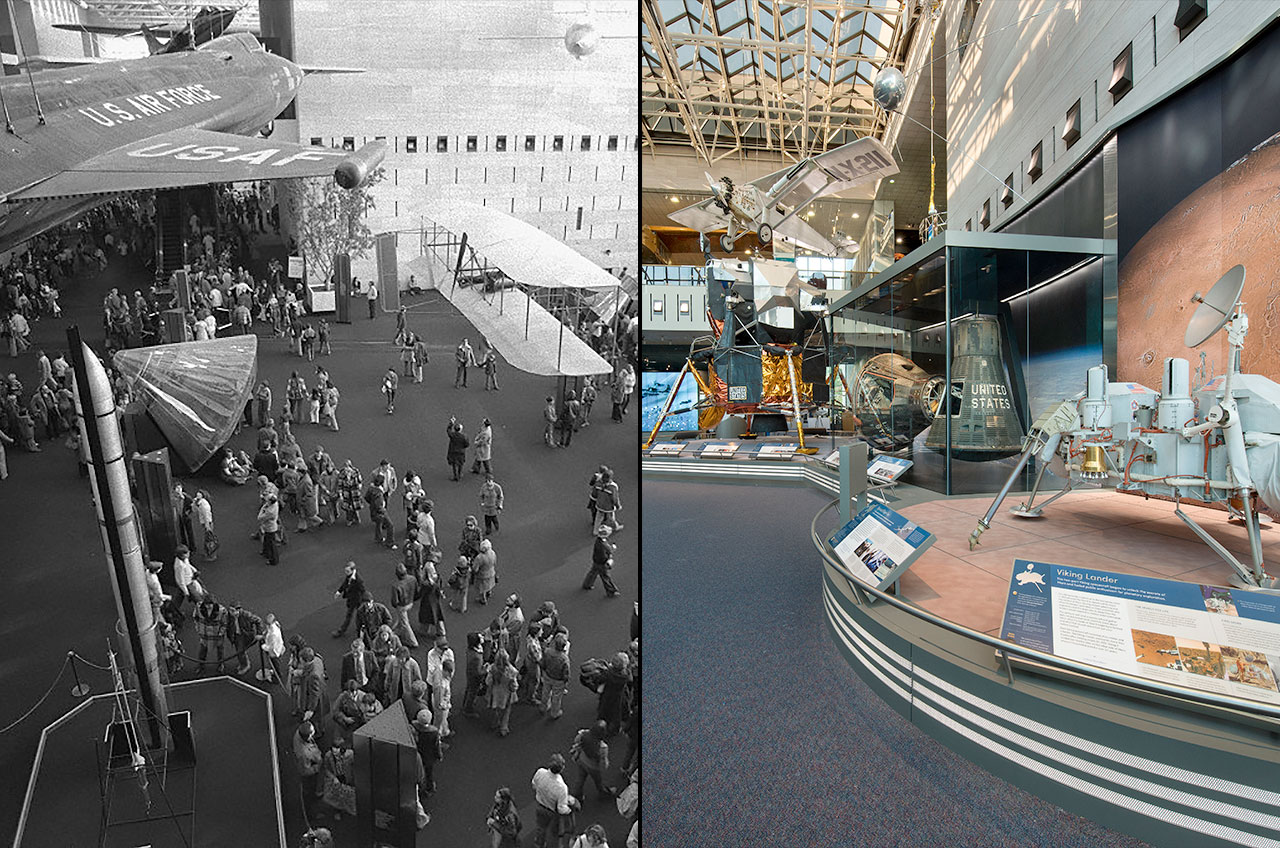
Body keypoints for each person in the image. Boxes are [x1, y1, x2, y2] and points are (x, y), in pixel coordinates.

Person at [531, 754, 579, 848]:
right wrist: (571, 808)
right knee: (557, 823)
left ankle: (539, 844)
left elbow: (534, 785)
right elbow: (561, 808)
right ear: (561, 769)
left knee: (541, 828)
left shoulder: (540, 772)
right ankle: (556, 833)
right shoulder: (562, 787)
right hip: (552, 810)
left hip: (540, 805)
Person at [570, 721, 614, 801]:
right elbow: (603, 761)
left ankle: (577, 795)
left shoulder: (584, 734)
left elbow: (576, 740)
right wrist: (604, 766)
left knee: (580, 778)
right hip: (593, 767)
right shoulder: (602, 747)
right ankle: (603, 794)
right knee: (598, 782)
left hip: (582, 760)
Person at [320, 735, 357, 819]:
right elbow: (326, 769)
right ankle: (337, 811)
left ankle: (350, 810)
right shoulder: (328, 755)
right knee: (336, 797)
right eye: (333, 750)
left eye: (337, 750)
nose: (335, 752)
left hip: (348, 778)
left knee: (349, 795)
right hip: (336, 778)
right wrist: (333, 778)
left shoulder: (350, 754)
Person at [293, 721, 323, 819]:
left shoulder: (299, 733)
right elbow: (305, 771)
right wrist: (317, 767)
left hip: (312, 759)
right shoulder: (303, 754)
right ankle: (311, 815)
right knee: (309, 794)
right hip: (309, 776)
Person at [225, 600, 264, 676]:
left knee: (240, 651)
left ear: (238, 610)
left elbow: (258, 620)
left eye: (233, 611)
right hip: (235, 635)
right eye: (230, 610)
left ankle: (245, 665)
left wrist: (259, 633)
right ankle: (243, 663)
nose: (231, 613)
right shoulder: (230, 616)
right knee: (239, 651)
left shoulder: (247, 615)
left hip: (245, 635)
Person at [486, 648, 519, 737]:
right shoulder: (512, 671)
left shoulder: (493, 669)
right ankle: (503, 728)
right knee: (507, 710)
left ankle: (495, 722)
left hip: (495, 693)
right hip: (507, 694)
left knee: (495, 707)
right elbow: (515, 685)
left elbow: (488, 681)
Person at [539, 632, 571, 719]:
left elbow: (543, 663)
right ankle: (554, 713)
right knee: (556, 697)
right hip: (558, 680)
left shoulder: (547, 651)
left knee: (545, 691)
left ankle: (543, 707)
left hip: (548, 675)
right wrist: (566, 681)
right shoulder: (564, 659)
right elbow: (566, 672)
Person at [194, 596, 228, 675]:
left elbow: (225, 623)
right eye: (206, 604)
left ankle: (221, 664)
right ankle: (201, 665)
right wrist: (198, 628)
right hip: (204, 634)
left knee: (220, 650)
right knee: (202, 650)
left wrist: (221, 633)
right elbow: (195, 617)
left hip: (217, 635)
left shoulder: (221, 611)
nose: (208, 606)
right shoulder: (199, 608)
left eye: (210, 604)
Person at [583, 525, 620, 597]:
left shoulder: (598, 541)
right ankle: (611, 591)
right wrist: (610, 555)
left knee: (593, 572)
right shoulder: (602, 545)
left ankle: (587, 584)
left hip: (596, 561)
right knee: (606, 577)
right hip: (602, 564)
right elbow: (603, 556)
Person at [332, 562, 366, 638]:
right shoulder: (350, 576)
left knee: (358, 615)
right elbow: (345, 583)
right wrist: (339, 591)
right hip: (352, 599)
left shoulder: (358, 580)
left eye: (347, 571)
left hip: (358, 600)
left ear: (353, 570)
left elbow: (363, 591)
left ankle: (361, 628)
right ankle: (343, 630)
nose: (346, 573)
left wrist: (364, 601)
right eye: (345, 571)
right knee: (350, 615)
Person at [390, 563, 420, 649]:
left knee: (405, 623)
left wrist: (396, 605)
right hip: (410, 602)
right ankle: (395, 630)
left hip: (402, 606)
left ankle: (413, 641)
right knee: (402, 618)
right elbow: (417, 591)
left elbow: (395, 601)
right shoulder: (412, 579)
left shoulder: (396, 586)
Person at [592, 469, 622, 534]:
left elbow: (594, 494)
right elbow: (614, 498)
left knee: (598, 518)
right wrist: (618, 506)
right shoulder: (613, 487)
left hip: (599, 504)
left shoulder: (598, 483)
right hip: (609, 506)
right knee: (611, 517)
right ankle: (616, 527)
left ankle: (595, 531)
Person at [172, 544, 200, 615]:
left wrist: (194, 570)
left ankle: (173, 611)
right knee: (197, 598)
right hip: (187, 584)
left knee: (178, 599)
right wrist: (186, 592)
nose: (189, 553)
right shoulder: (179, 565)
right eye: (187, 553)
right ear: (182, 555)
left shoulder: (185, 559)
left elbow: (189, 565)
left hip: (190, 580)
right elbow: (180, 580)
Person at [471, 538, 497, 605]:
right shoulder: (493, 553)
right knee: (489, 584)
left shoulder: (479, 557)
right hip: (491, 572)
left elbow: (475, 569)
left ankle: (483, 599)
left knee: (482, 588)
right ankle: (489, 592)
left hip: (482, 575)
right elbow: (495, 562)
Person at [337, 459, 363, 525]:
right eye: (346, 468)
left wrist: (360, 485)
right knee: (348, 507)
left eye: (348, 468)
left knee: (355, 506)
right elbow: (340, 485)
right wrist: (340, 494)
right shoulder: (341, 473)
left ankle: (356, 518)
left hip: (355, 492)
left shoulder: (356, 471)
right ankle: (349, 519)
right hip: (346, 493)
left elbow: (360, 480)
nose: (347, 470)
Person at [434, 657, 455, 738]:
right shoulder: (441, 685)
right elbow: (439, 699)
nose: (450, 675)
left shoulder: (439, 669)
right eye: (448, 672)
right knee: (439, 723)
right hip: (441, 705)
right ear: (444, 670)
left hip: (443, 701)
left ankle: (445, 732)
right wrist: (445, 706)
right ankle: (438, 739)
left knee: (444, 720)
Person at [259, 492, 280, 565]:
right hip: (270, 527)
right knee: (266, 540)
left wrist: (263, 508)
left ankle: (274, 560)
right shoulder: (275, 504)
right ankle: (266, 552)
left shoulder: (270, 511)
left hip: (270, 527)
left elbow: (260, 517)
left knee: (271, 543)